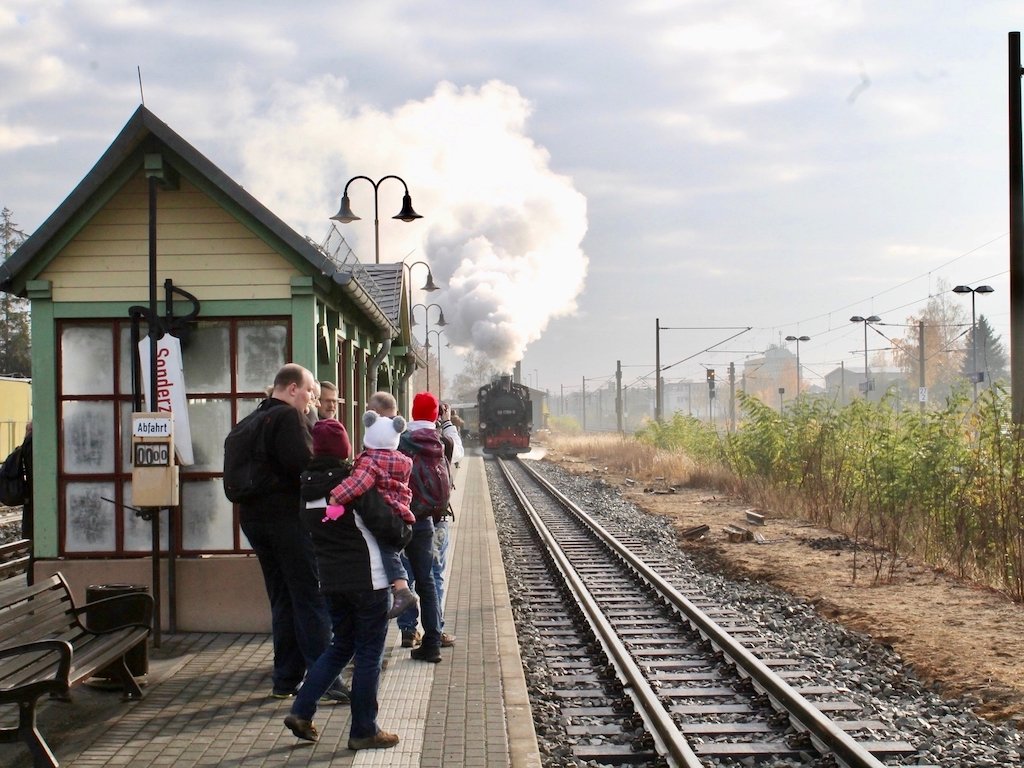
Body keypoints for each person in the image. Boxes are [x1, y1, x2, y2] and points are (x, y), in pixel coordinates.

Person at [284, 420, 402, 751]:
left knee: (340, 647)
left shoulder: (306, 491)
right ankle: (365, 729)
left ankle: (301, 710)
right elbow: (388, 527)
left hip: (332, 583)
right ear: (345, 450)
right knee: (368, 655)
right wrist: (406, 530)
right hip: (369, 581)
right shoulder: (354, 485)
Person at [236, 363, 339, 699]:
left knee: (282, 598)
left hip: (254, 520)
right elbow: (305, 467)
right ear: (292, 388)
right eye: (310, 391)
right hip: (286, 521)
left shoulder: (251, 419)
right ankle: (324, 680)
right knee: (310, 597)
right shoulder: (287, 418)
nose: (312, 400)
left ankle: (285, 679)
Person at [326, 411, 418, 619]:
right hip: (401, 514)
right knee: (392, 552)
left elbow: (357, 484)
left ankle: (402, 590)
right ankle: (401, 590)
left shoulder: (371, 462)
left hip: (383, 515)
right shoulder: (402, 460)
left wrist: (335, 497)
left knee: (387, 551)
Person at [394, 391, 461, 663]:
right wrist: (447, 423)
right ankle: (433, 640)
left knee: (401, 578)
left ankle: (407, 631)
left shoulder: (400, 439)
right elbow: (459, 450)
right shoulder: (443, 441)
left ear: (412, 412)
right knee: (429, 580)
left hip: (400, 518)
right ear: (436, 414)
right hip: (429, 521)